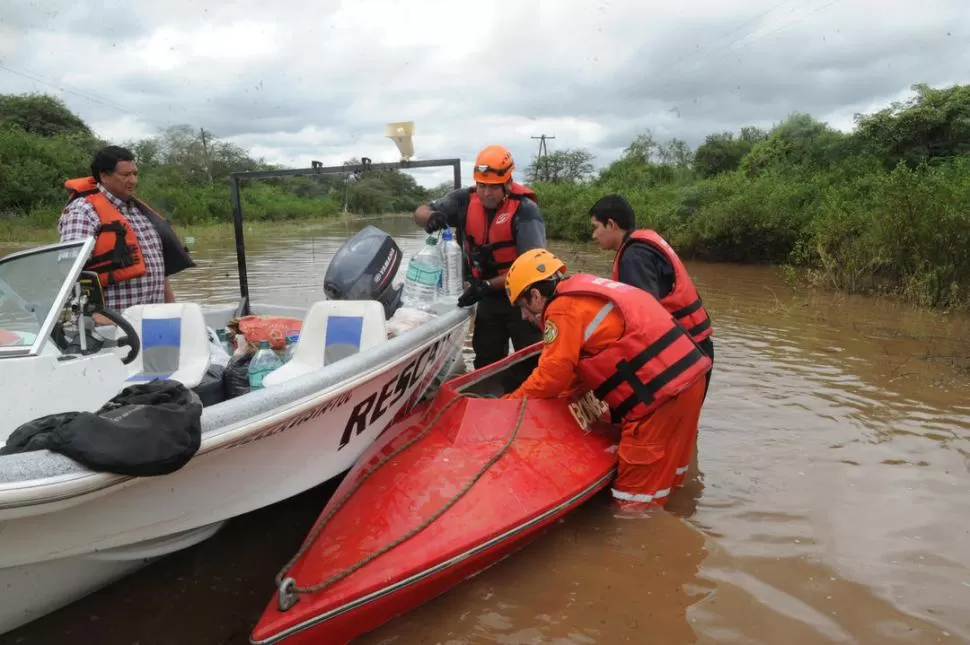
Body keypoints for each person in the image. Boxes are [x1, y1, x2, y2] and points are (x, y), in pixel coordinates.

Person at [501, 249, 712, 510]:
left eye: (522, 306)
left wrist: (509, 404)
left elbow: (551, 376)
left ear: (535, 295)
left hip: (658, 401)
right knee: (673, 479)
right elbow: (582, 367)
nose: (524, 316)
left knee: (633, 506)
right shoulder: (584, 291)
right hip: (690, 381)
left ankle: (641, 546)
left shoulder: (561, 309)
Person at [413, 144, 546, 369]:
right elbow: (419, 212)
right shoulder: (464, 200)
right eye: (482, 185)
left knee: (530, 362)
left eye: (493, 187)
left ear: (507, 183)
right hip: (486, 298)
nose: (486, 192)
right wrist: (430, 217)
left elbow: (533, 266)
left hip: (522, 299)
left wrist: (486, 285)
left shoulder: (525, 210)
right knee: (486, 360)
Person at [588, 194, 714, 399]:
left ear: (611, 224)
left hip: (684, 352)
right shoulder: (642, 244)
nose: (593, 235)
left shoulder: (634, 257)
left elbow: (644, 317)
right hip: (694, 346)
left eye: (595, 227)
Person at [58, 145, 195, 311]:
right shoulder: (83, 211)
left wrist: (172, 308)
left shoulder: (140, 211)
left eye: (135, 174)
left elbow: (158, 269)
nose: (133, 181)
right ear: (104, 176)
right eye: (125, 175)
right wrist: (94, 315)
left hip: (152, 319)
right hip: (112, 324)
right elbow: (69, 270)